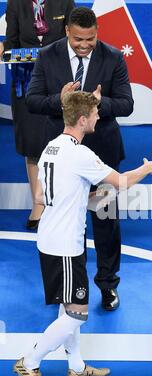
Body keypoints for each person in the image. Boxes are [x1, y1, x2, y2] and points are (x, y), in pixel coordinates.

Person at [13, 90, 152, 376]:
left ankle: (75, 366)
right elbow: (123, 181)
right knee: (77, 313)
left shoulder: (51, 149)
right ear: (83, 119)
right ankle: (29, 361)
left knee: (66, 306)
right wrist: (150, 168)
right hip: (65, 246)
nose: (100, 117)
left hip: (50, 237)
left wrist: (93, 198)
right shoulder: (81, 154)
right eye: (96, 113)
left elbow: (45, 197)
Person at [26, 6, 134, 312]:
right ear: (67, 32)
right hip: (64, 159)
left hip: (102, 154)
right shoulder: (48, 56)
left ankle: (108, 285)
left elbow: (127, 104)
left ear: (97, 32)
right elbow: (33, 101)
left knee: (105, 224)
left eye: (90, 39)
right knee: (66, 223)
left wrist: (103, 103)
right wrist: (58, 101)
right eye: (78, 40)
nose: (85, 45)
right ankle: (71, 286)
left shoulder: (113, 57)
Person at [0, 0, 75, 230]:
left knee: (62, 142)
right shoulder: (16, 3)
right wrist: (4, 49)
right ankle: (38, 203)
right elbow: (11, 44)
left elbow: (74, 41)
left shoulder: (64, 2)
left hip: (61, 80)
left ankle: (61, 203)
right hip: (26, 81)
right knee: (32, 144)